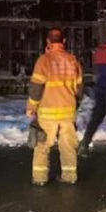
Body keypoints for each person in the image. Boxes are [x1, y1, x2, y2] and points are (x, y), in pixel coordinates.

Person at [26, 28, 83, 185]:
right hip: (68, 112)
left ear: (48, 41)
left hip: (48, 113)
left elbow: (37, 87)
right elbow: (79, 88)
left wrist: (31, 107)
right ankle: (70, 176)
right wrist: (75, 105)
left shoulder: (43, 60)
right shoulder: (73, 60)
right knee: (68, 146)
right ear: (64, 41)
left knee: (42, 145)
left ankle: (40, 178)